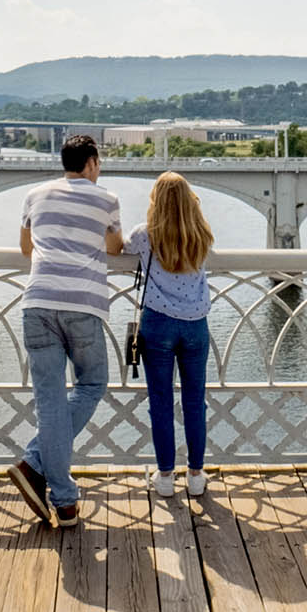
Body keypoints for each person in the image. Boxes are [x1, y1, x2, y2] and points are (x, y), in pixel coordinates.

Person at [9, 134, 122, 527]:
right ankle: (42, 472)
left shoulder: (35, 195)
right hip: (82, 306)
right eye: (99, 163)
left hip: (36, 303)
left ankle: (61, 496)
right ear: (90, 163)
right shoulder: (105, 199)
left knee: (50, 402)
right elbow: (115, 247)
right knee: (92, 384)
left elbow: (26, 248)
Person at [127, 171, 213, 497]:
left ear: (155, 201)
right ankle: (195, 475)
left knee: (160, 402)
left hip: (158, 323)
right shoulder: (202, 233)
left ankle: (165, 477)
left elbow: (119, 246)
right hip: (195, 324)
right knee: (194, 401)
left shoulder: (144, 235)